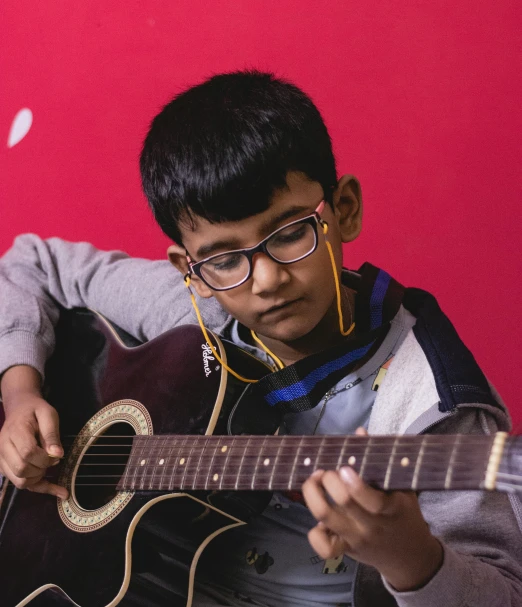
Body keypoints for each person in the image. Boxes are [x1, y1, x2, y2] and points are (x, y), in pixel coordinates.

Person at [0, 70, 521, 607]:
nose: (267, 279)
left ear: (343, 211)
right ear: (192, 270)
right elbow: (31, 263)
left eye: (291, 232)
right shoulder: (192, 305)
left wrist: (410, 557)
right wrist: (21, 392)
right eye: (225, 259)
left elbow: (502, 592)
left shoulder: (435, 401)